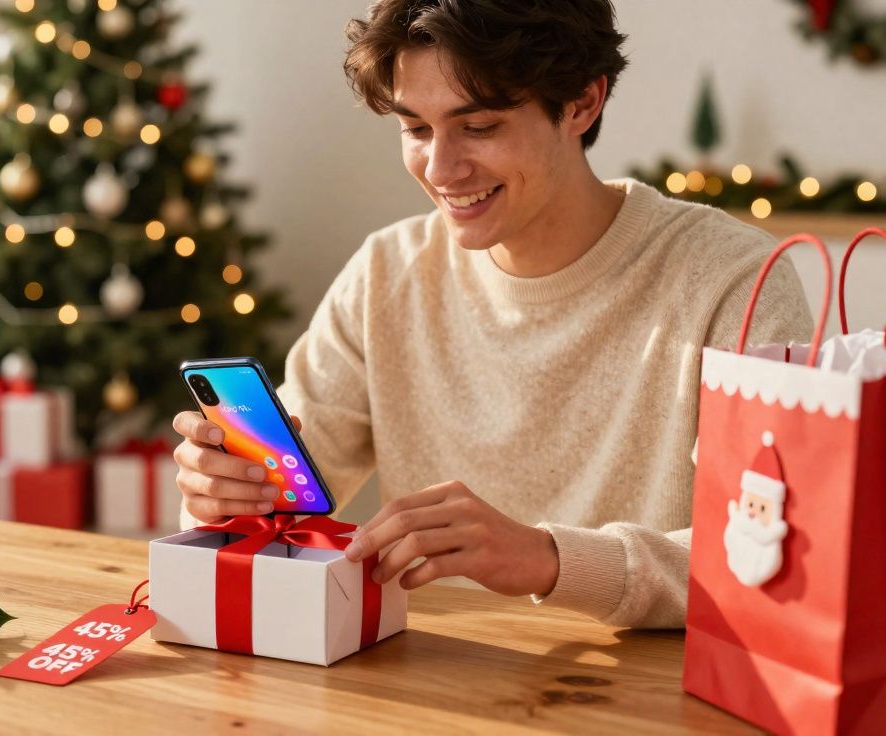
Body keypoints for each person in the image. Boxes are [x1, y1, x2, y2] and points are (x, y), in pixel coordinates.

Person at [170, 0, 811, 628]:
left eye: (479, 127)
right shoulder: (387, 272)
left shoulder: (735, 280)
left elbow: (769, 555)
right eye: (416, 129)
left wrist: (550, 561)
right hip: (429, 682)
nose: (441, 169)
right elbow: (282, 494)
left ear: (583, 103)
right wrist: (222, 493)